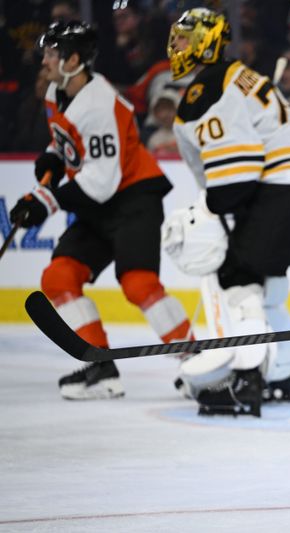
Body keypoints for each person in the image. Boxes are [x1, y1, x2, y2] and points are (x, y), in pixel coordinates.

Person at [9, 21, 193, 400]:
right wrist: (54, 158)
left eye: (52, 53)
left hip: (132, 198)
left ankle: (195, 361)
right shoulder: (56, 92)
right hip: (100, 203)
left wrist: (45, 201)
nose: (44, 59)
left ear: (74, 60)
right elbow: (71, 146)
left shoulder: (99, 104)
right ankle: (101, 364)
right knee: (59, 278)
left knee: (138, 284)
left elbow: (103, 180)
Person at [166, 8, 290, 416]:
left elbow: (236, 176)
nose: (175, 46)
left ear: (206, 41)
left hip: (284, 179)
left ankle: (245, 380)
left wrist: (208, 211)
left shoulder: (206, 89)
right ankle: (278, 376)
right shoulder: (236, 74)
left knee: (237, 274)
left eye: (185, 39)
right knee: (268, 281)